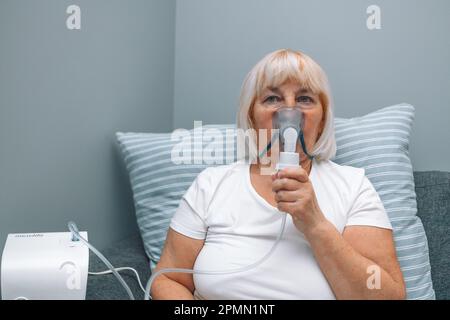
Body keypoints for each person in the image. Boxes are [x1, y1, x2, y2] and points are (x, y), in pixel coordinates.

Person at [151, 49, 406, 300]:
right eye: (272, 98)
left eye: (305, 98)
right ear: (251, 116)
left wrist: (315, 225)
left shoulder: (353, 187)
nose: (289, 112)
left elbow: (387, 297)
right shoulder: (212, 185)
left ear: (323, 119)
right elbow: (167, 278)